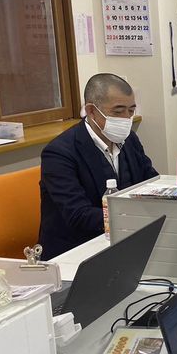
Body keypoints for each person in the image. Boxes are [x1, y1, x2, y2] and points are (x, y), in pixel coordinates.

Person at [39, 73, 158, 259]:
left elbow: (150, 182)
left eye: (131, 111)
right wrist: (133, 216)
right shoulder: (59, 153)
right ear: (91, 111)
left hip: (125, 238)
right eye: (118, 112)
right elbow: (78, 214)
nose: (126, 119)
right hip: (76, 250)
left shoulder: (130, 140)